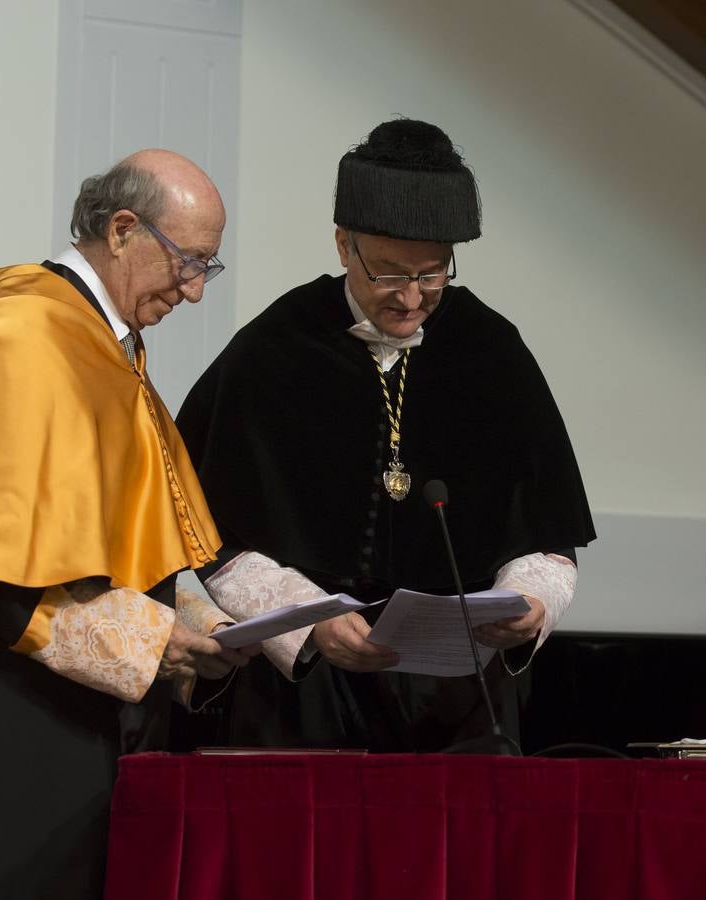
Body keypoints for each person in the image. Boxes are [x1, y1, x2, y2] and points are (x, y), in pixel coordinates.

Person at [0, 150, 248, 900]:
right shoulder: (19, 329)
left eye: (207, 268)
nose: (193, 290)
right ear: (121, 229)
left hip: (77, 719)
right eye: (187, 262)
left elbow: (129, 527)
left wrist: (205, 624)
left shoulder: (103, 339)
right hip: (6, 717)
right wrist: (150, 642)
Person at [177, 118, 596, 752]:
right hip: (305, 692)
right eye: (390, 274)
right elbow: (209, 534)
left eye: (432, 275)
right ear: (344, 245)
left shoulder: (491, 350)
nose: (410, 298)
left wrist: (530, 602)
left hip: (457, 697)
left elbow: (547, 534)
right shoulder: (273, 350)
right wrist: (306, 619)